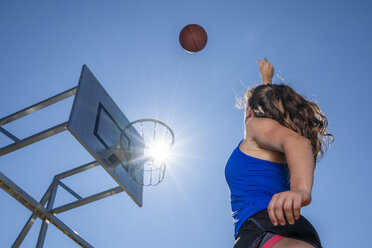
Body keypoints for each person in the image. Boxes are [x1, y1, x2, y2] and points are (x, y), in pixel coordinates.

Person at [225, 58, 334, 248]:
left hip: (264, 228)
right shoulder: (266, 140)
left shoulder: (254, 126)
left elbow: (298, 142)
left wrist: (301, 190)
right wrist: (266, 79)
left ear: (250, 110)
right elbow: (266, 105)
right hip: (285, 229)